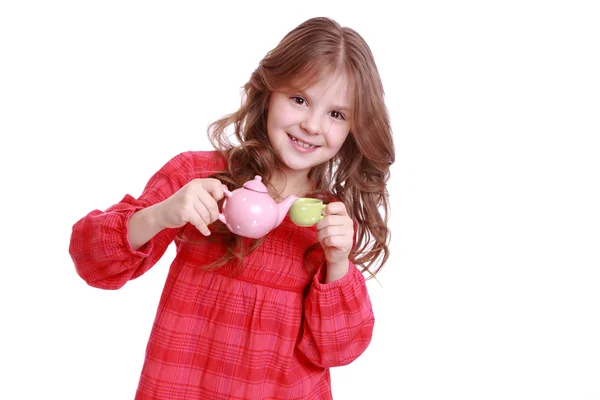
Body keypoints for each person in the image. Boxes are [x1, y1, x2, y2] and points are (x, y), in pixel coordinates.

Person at [69, 16, 394, 399]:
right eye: (300, 99)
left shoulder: (330, 220)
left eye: (336, 114)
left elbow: (338, 349)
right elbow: (92, 260)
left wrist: (338, 262)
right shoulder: (197, 177)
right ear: (268, 92)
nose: (312, 125)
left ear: (354, 128)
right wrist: (162, 214)